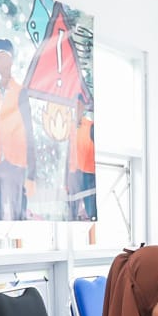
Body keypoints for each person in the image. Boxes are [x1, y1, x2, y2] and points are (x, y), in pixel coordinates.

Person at [0, 37, 36, 220]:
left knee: (18, 215)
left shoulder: (21, 92)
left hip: (16, 166)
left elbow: (30, 134)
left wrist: (31, 176)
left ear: (11, 61)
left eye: (3, 57)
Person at [66, 91, 97, 221]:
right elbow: (66, 157)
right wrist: (65, 181)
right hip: (73, 176)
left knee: (92, 212)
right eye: (74, 106)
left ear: (83, 107)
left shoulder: (91, 127)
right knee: (71, 214)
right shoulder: (68, 129)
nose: (76, 109)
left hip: (89, 176)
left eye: (79, 105)